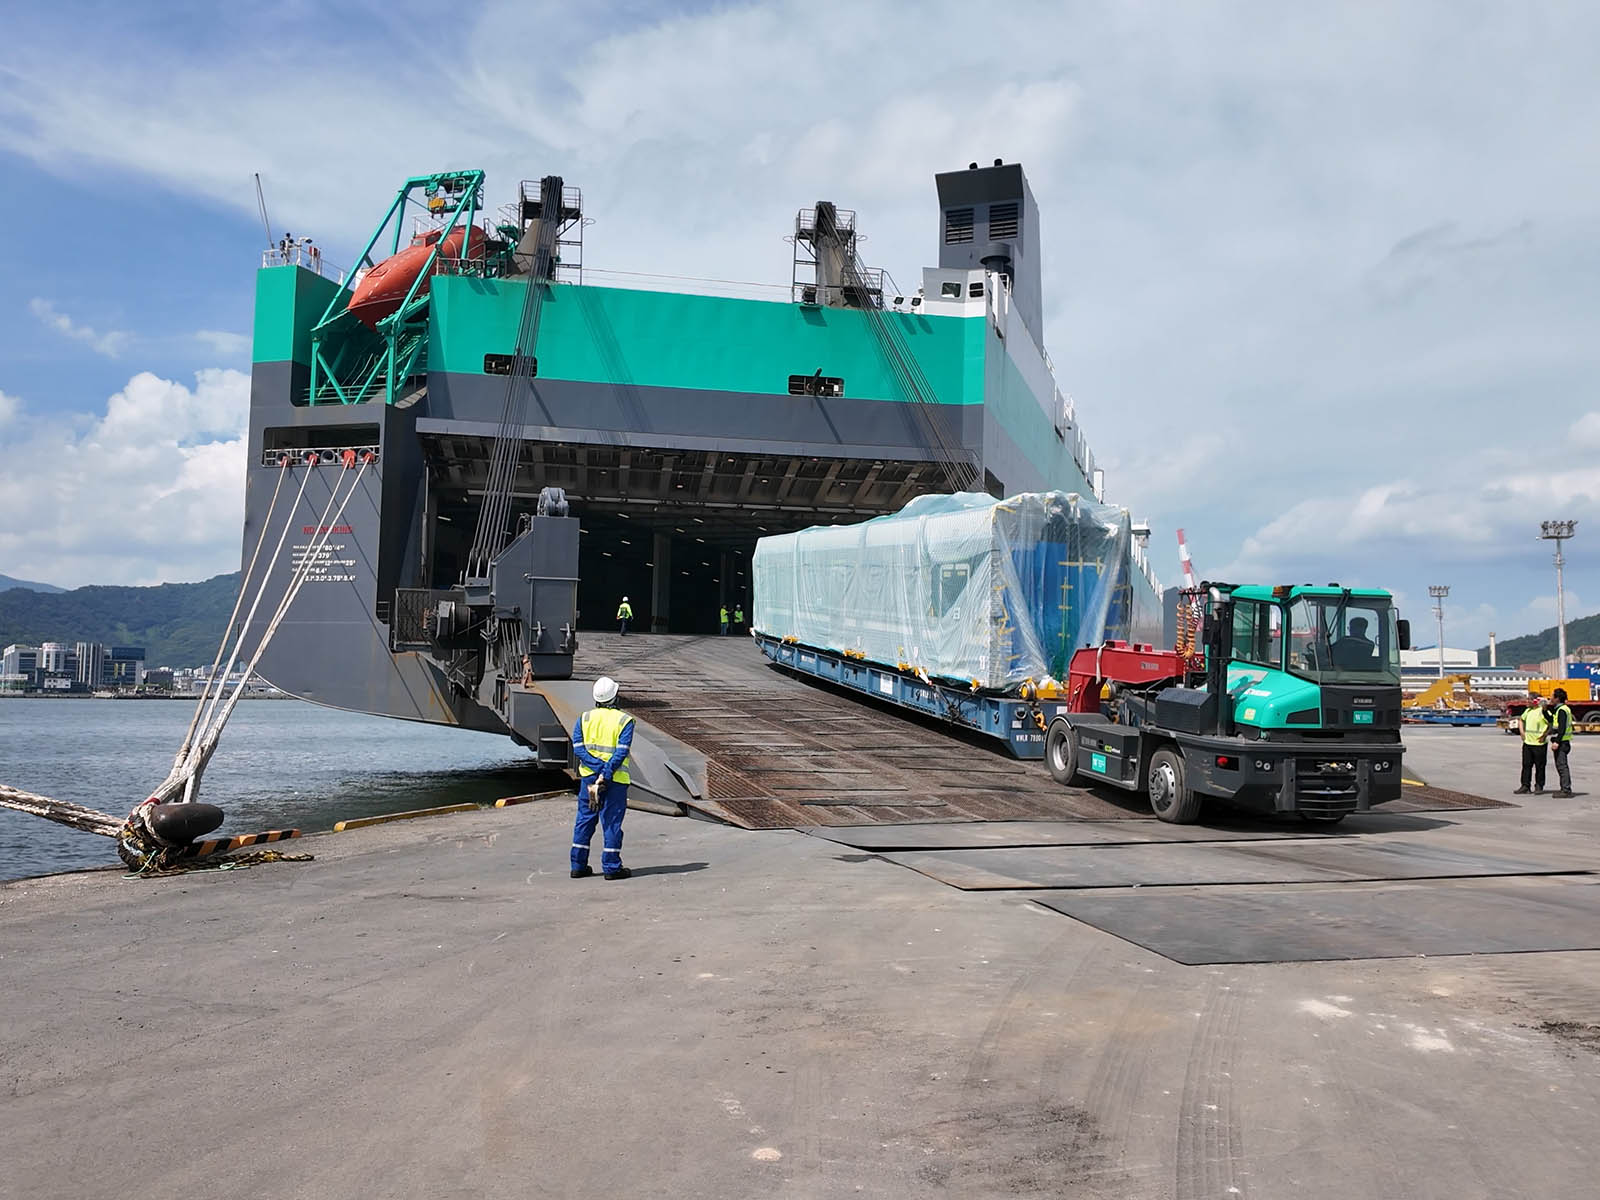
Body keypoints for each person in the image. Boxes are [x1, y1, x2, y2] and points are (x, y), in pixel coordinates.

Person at [569, 675, 634, 880]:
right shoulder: (625, 721)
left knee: (585, 821)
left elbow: (578, 748)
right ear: (615, 697)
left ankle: (578, 866)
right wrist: (605, 773)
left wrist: (596, 769)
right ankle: (612, 868)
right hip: (614, 781)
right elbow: (621, 751)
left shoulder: (584, 718)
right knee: (611, 823)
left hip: (589, 781)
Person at [1514, 694, 1551, 794]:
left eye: (1529, 699)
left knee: (1540, 766)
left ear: (1535, 701)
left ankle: (1539, 786)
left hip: (1539, 744)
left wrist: (1544, 735)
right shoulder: (1528, 711)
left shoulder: (1543, 711)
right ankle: (1525, 785)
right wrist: (1522, 732)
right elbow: (1521, 720)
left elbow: (1551, 725)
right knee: (1526, 765)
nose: (1527, 701)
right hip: (1528, 743)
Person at [1548, 688, 1575, 798]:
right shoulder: (1559, 709)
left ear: (1557, 698)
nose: (1550, 699)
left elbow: (1562, 728)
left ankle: (1566, 790)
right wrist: (1545, 710)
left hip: (1562, 743)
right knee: (1560, 766)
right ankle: (1564, 788)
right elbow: (1551, 720)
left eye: (1552, 697)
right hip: (1562, 741)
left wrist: (1557, 742)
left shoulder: (1562, 710)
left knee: (1562, 766)